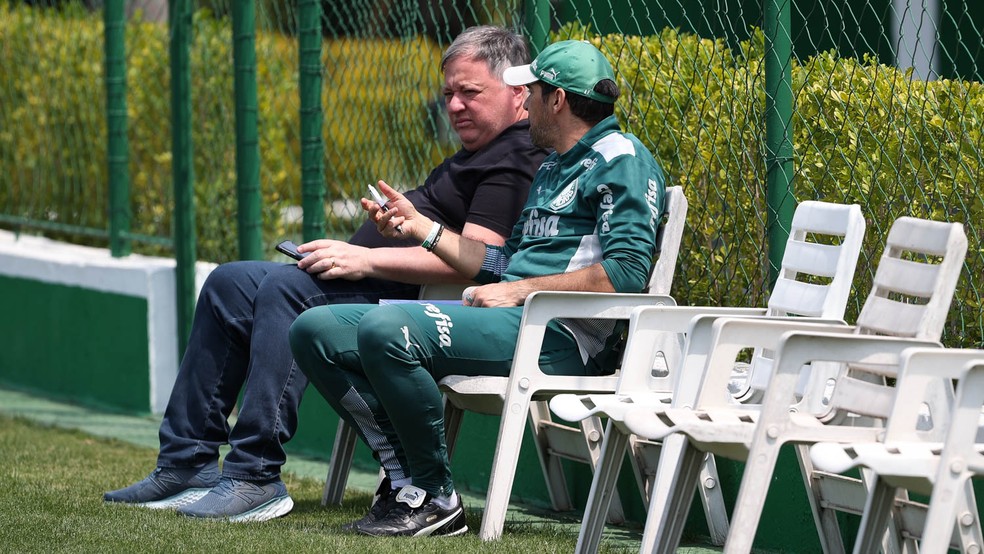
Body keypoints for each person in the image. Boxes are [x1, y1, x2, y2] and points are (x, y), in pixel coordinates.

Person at [102, 25, 547, 522]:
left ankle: (255, 474)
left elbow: (478, 258)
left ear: (518, 92)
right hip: (372, 279)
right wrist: (394, 225)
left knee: (287, 289)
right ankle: (187, 462)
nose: (455, 106)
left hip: (412, 305)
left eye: (470, 93)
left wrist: (365, 258)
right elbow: (438, 230)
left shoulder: (517, 154)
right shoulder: (480, 149)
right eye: (448, 94)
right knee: (228, 283)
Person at [289, 39, 666, 537]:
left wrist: (519, 291)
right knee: (315, 330)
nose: (524, 103)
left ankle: (436, 497)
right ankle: (407, 480)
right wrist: (421, 228)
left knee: (388, 326)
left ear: (556, 100)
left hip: (559, 336)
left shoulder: (622, 158)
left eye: (531, 92)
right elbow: (504, 262)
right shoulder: (553, 164)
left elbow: (627, 274)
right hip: (505, 321)